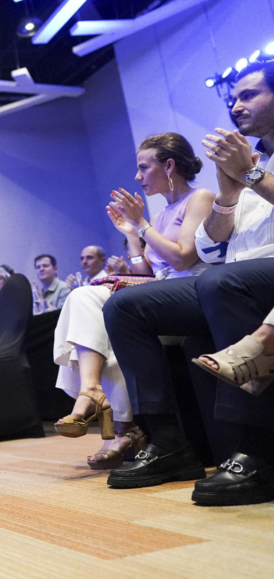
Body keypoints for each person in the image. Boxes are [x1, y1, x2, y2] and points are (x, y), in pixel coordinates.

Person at [103, 62, 274, 505]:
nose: (236, 106)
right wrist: (230, 192)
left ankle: (257, 453)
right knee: (124, 307)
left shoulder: (255, 168)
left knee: (222, 283)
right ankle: (168, 442)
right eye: (233, 98)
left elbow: (190, 259)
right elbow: (211, 248)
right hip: (232, 273)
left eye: (249, 96)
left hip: (262, 274)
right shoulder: (249, 163)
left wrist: (251, 176)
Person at [53, 133, 212, 469]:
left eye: (144, 167)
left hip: (192, 290)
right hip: (159, 293)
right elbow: (149, 271)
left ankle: (113, 419)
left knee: (95, 303)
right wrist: (131, 235)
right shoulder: (163, 212)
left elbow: (182, 259)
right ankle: (104, 404)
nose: (137, 177)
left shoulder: (200, 198)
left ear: (169, 165)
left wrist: (140, 225)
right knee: (85, 301)